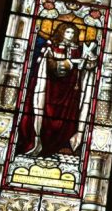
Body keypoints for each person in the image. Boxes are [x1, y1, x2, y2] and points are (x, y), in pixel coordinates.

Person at [16, 21, 98, 157]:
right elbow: (47, 64)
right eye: (67, 32)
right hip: (49, 88)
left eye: (73, 32)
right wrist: (70, 63)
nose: (70, 35)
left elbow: (87, 67)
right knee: (43, 113)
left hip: (71, 90)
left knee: (69, 117)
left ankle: (62, 146)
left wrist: (91, 60)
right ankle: (39, 143)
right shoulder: (51, 46)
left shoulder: (78, 49)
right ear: (61, 32)